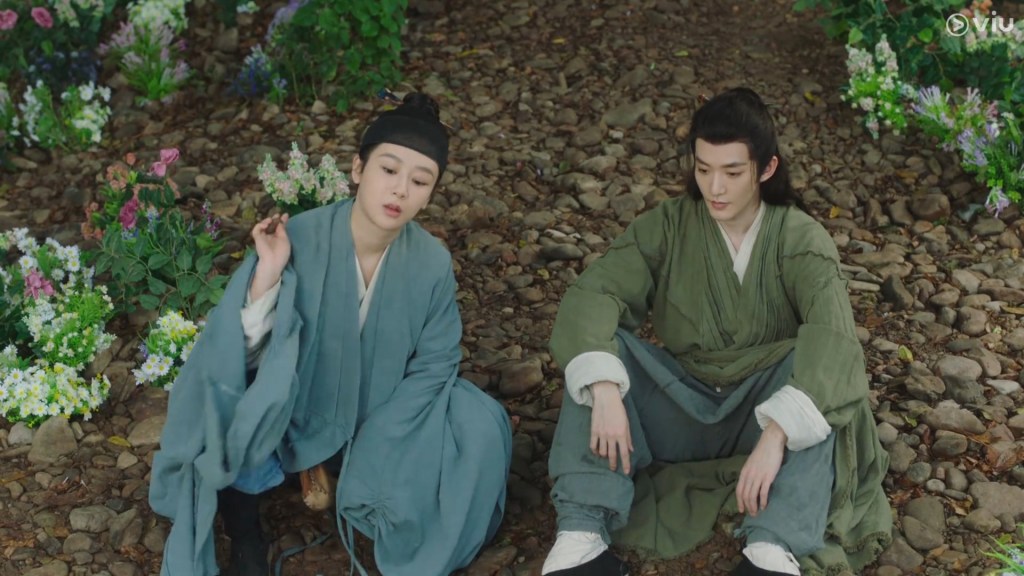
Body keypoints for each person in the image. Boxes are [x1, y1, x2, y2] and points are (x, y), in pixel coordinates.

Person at [149, 93, 513, 576]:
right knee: (240, 401)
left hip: (378, 417)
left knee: (477, 420)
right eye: (389, 169)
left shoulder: (431, 262)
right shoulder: (301, 236)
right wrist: (268, 275)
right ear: (358, 169)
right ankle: (246, 533)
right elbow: (242, 354)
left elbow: (436, 363)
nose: (400, 190)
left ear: (430, 193)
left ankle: (361, 479)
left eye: (420, 180)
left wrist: (383, 436)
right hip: (295, 411)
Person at [540, 88, 892, 576]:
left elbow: (834, 342)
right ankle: (582, 534)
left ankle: (772, 548)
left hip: (763, 408)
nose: (715, 187)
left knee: (818, 379)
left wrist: (777, 434)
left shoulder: (800, 239)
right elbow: (596, 294)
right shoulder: (667, 226)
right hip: (685, 401)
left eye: (732, 172)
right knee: (602, 354)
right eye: (703, 169)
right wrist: (602, 387)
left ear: (766, 169)